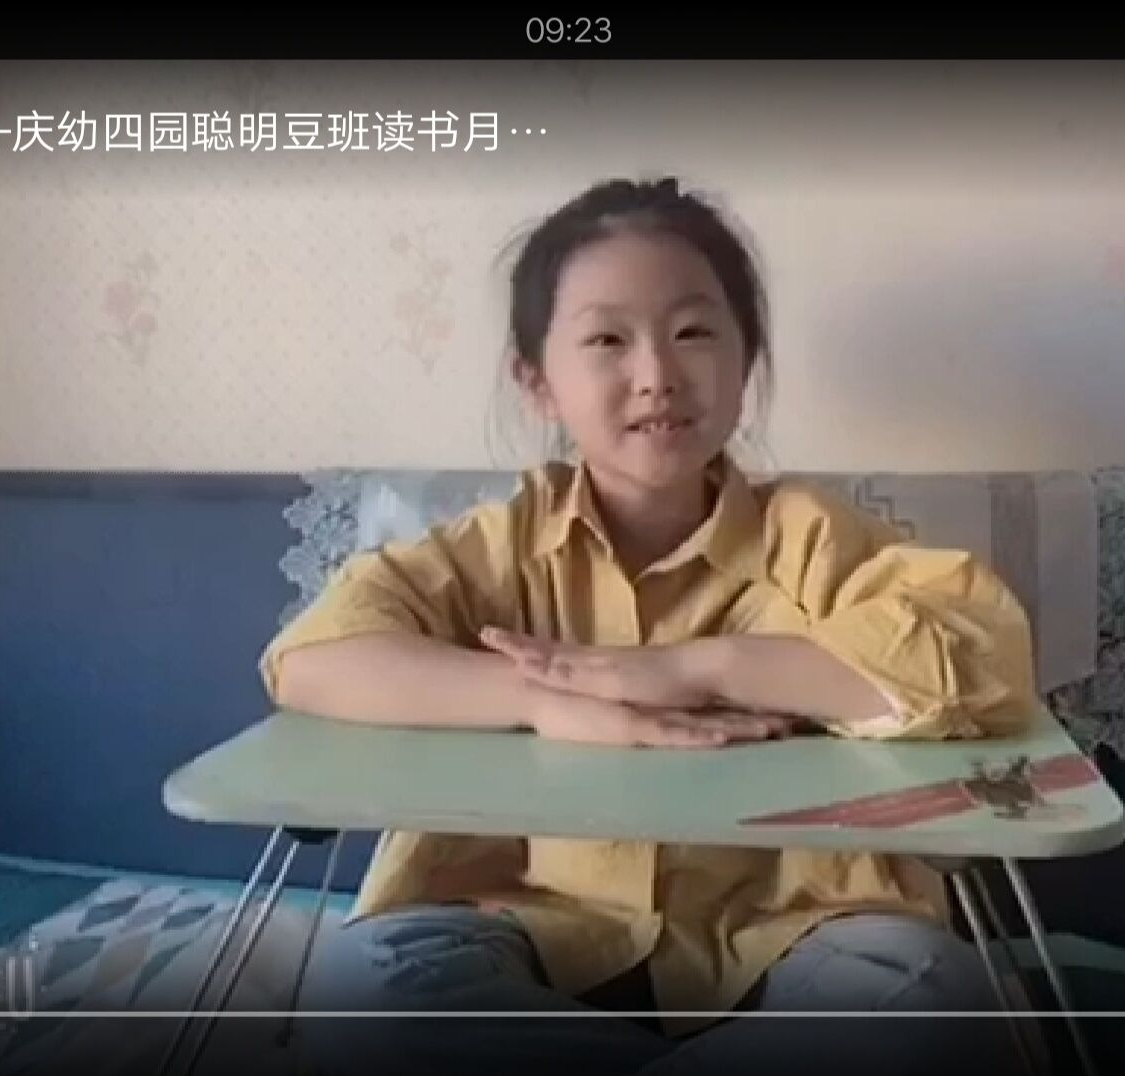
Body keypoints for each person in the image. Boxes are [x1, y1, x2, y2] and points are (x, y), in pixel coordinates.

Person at [259, 176, 1035, 1076]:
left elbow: (983, 648)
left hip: (801, 926)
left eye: (694, 332)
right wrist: (544, 701)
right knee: (361, 1001)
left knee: (930, 1006)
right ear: (537, 380)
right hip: (522, 910)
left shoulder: (813, 538)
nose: (657, 375)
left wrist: (697, 668)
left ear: (745, 362)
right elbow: (314, 658)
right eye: (607, 340)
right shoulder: (496, 549)